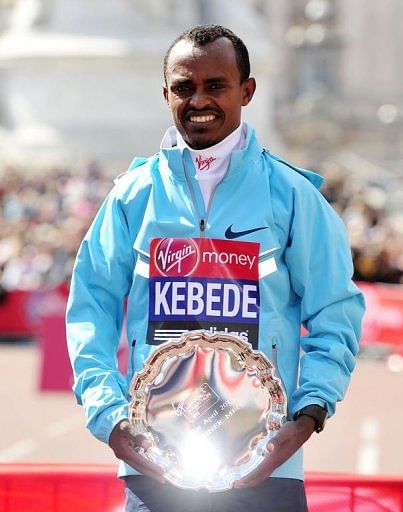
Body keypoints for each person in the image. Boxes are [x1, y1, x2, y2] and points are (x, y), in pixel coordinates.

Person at [66, 24, 365, 512]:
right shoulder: (131, 195)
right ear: (166, 95)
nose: (198, 99)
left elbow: (336, 312)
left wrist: (309, 413)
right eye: (184, 87)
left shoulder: (293, 196)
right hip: (153, 463)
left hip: (265, 464)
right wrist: (108, 415)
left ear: (247, 90)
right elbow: (90, 307)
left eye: (216, 85)